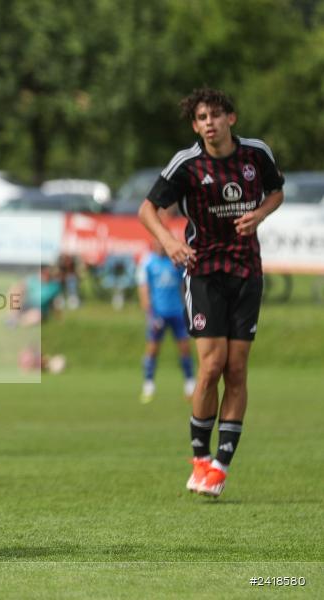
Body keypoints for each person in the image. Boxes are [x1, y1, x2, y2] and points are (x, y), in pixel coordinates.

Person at [138, 87, 284, 498]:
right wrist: (169, 244)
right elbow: (147, 209)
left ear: (230, 119)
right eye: (202, 117)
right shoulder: (187, 163)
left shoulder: (256, 154)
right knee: (211, 366)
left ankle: (220, 466)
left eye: (216, 115)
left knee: (237, 369)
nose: (210, 123)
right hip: (202, 271)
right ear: (195, 125)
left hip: (245, 271)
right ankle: (200, 457)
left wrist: (259, 214)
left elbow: (277, 191)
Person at [137, 239, 195, 404]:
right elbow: (144, 289)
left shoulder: (175, 261)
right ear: (154, 244)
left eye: (163, 243)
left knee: (184, 349)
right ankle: (148, 385)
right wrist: (150, 313)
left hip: (177, 312)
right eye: (158, 243)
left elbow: (184, 285)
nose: (161, 246)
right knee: (152, 350)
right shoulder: (148, 262)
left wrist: (188, 307)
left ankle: (190, 384)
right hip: (159, 314)